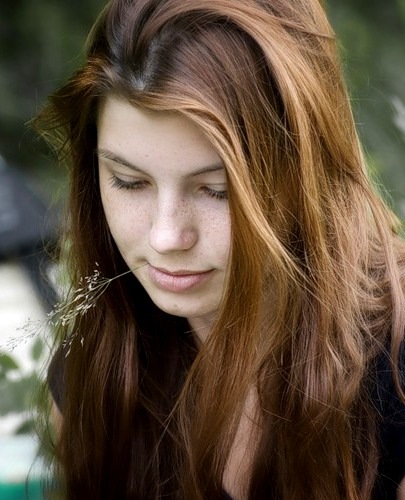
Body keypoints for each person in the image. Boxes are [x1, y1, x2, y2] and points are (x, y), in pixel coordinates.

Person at [33, 0, 405, 498]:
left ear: (306, 174)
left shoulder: (394, 372)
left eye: (217, 190)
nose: (166, 238)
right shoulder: (102, 358)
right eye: (129, 182)